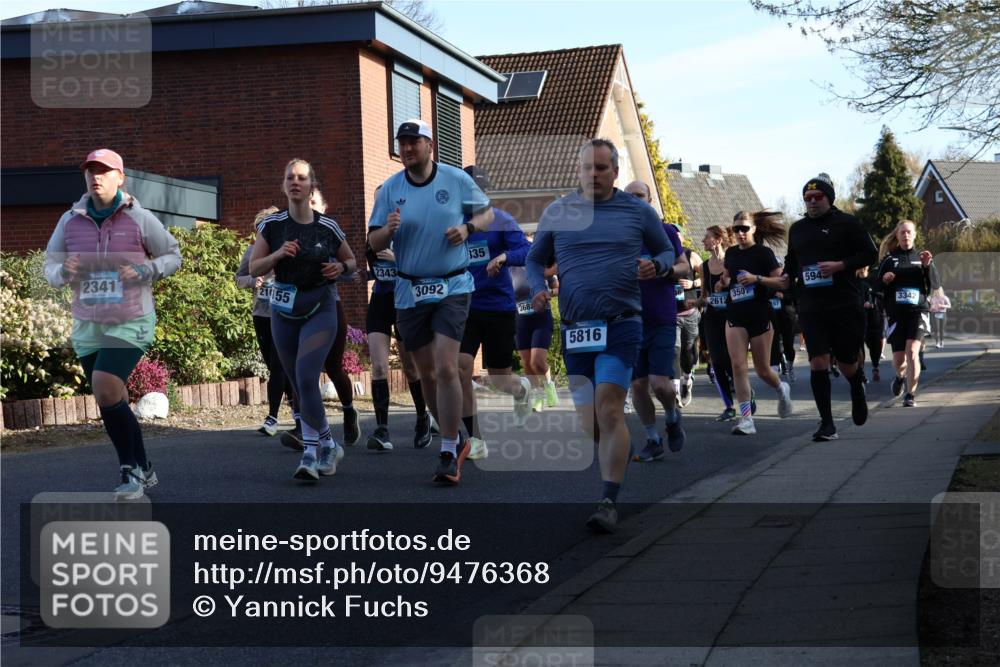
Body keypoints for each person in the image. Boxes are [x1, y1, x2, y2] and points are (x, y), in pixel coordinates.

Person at [527, 139, 676, 533]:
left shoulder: (637, 210)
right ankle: (617, 449)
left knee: (610, 407)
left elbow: (666, 254)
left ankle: (608, 500)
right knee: (590, 422)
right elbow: (534, 258)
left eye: (602, 168)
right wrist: (536, 288)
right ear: (578, 171)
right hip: (576, 329)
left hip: (622, 323)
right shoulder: (558, 211)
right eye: (587, 168)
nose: (594, 174)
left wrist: (654, 266)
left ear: (614, 171)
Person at [44, 148, 181, 499]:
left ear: (121, 177)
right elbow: (49, 267)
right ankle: (145, 468)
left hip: (131, 319)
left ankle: (130, 471)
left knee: (104, 386)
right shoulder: (69, 220)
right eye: (90, 171)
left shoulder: (139, 217)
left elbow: (172, 254)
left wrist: (146, 269)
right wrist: (63, 272)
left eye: (104, 171)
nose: (96, 177)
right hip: (88, 322)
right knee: (112, 396)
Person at [368, 119, 493, 486]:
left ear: (430, 144)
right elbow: (372, 244)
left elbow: (487, 214)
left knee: (445, 366)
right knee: (425, 376)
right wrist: (387, 231)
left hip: (453, 285)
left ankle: (448, 449)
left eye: (414, 142)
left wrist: (468, 228)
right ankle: (456, 438)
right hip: (409, 290)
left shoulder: (455, 180)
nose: (407, 148)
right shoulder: (390, 189)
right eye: (402, 143)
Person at [250, 159, 356, 481]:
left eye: (302, 178)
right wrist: (278, 255)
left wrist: (341, 268)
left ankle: (309, 454)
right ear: (283, 186)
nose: (295, 182)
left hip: (319, 309)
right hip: (283, 311)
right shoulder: (272, 226)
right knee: (297, 384)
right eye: (289, 178)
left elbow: (351, 261)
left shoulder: (328, 226)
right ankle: (327, 443)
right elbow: (253, 269)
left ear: (311, 187)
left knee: (307, 376)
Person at [783, 173, 878, 441]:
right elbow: (792, 263)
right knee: (818, 362)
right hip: (812, 306)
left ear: (829, 199)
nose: (812, 202)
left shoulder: (847, 223)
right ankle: (827, 423)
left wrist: (840, 265)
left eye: (817, 197)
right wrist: (785, 280)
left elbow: (871, 253)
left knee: (848, 363)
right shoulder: (798, 229)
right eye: (807, 198)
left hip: (844, 303)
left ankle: (856, 387)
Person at [457, 165, 533, 461]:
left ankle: (521, 389)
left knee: (500, 378)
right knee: (461, 367)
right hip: (465, 306)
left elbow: (527, 251)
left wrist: (504, 256)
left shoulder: (502, 221)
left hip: (499, 307)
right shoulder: (455, 223)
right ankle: (475, 438)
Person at [622, 180, 689, 461]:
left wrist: (664, 269)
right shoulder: (620, 238)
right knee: (637, 386)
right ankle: (652, 438)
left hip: (661, 317)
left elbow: (685, 267)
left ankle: (672, 418)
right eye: (629, 197)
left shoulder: (664, 232)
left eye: (640, 196)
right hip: (630, 321)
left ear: (650, 201)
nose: (635, 201)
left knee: (660, 383)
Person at [361, 188, 432, 452]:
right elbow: (373, 267)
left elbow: (425, 264)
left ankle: (423, 417)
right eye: (379, 200)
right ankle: (382, 430)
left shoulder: (410, 228)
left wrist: (397, 258)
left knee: (411, 368)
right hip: (380, 300)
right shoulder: (374, 231)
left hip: (406, 302)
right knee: (379, 366)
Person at [715, 211, 794, 435]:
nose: (740, 233)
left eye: (744, 228)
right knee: (738, 365)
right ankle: (746, 420)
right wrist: (724, 282)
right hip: (735, 314)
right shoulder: (730, 253)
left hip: (760, 314)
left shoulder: (764, 253)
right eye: (736, 229)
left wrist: (756, 279)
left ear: (754, 229)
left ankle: (781, 388)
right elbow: (728, 276)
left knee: (762, 370)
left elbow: (782, 282)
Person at [236, 206, 297, 436]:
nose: (263, 234)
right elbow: (239, 279)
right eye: (259, 230)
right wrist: (254, 282)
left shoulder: (287, 250)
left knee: (279, 365)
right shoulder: (251, 251)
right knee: (275, 366)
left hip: (283, 314)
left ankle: (271, 418)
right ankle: (297, 412)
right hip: (261, 314)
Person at [310, 188, 360, 446]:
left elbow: (353, 271)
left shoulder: (330, 231)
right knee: (302, 370)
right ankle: (303, 428)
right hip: (298, 310)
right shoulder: (287, 231)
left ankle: (349, 410)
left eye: (314, 201)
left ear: (324, 206)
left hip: (330, 304)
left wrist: (337, 269)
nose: (309, 204)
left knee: (333, 367)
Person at [876, 220, 940, 407]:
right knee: (898, 359)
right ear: (897, 235)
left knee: (912, 351)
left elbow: (934, 284)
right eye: (902, 232)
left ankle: (910, 395)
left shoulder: (922, 258)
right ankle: (899, 376)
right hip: (897, 313)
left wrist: (928, 266)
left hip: (918, 311)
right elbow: (876, 286)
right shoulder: (889, 259)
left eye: (908, 232)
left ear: (914, 235)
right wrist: (885, 280)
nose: (905, 235)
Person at [698, 225, 738, 421]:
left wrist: (727, 285)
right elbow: (705, 295)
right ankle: (729, 406)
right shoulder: (704, 266)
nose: (703, 241)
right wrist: (696, 302)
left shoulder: (732, 260)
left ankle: (745, 392)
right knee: (716, 360)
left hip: (731, 314)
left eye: (706, 237)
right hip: (712, 316)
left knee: (731, 360)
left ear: (718, 240)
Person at [513, 260, 560, 413]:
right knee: (527, 363)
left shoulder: (541, 266)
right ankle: (538, 396)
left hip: (541, 317)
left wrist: (548, 294)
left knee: (537, 361)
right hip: (521, 319)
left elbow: (557, 288)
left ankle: (549, 385)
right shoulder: (510, 268)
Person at [674, 233, 702, 408]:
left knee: (688, 351)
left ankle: (687, 380)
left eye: (677, 235)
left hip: (690, 312)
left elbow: (705, 276)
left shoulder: (690, 255)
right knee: (674, 350)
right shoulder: (664, 255)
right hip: (671, 314)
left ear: (682, 238)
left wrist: (693, 284)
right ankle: (675, 389)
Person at [857, 265, 885, 382]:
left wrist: (873, 302)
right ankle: (861, 372)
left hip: (874, 317)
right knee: (858, 345)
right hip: (857, 316)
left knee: (875, 344)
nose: (862, 267)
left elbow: (883, 295)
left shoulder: (875, 278)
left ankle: (875, 366)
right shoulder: (852, 280)